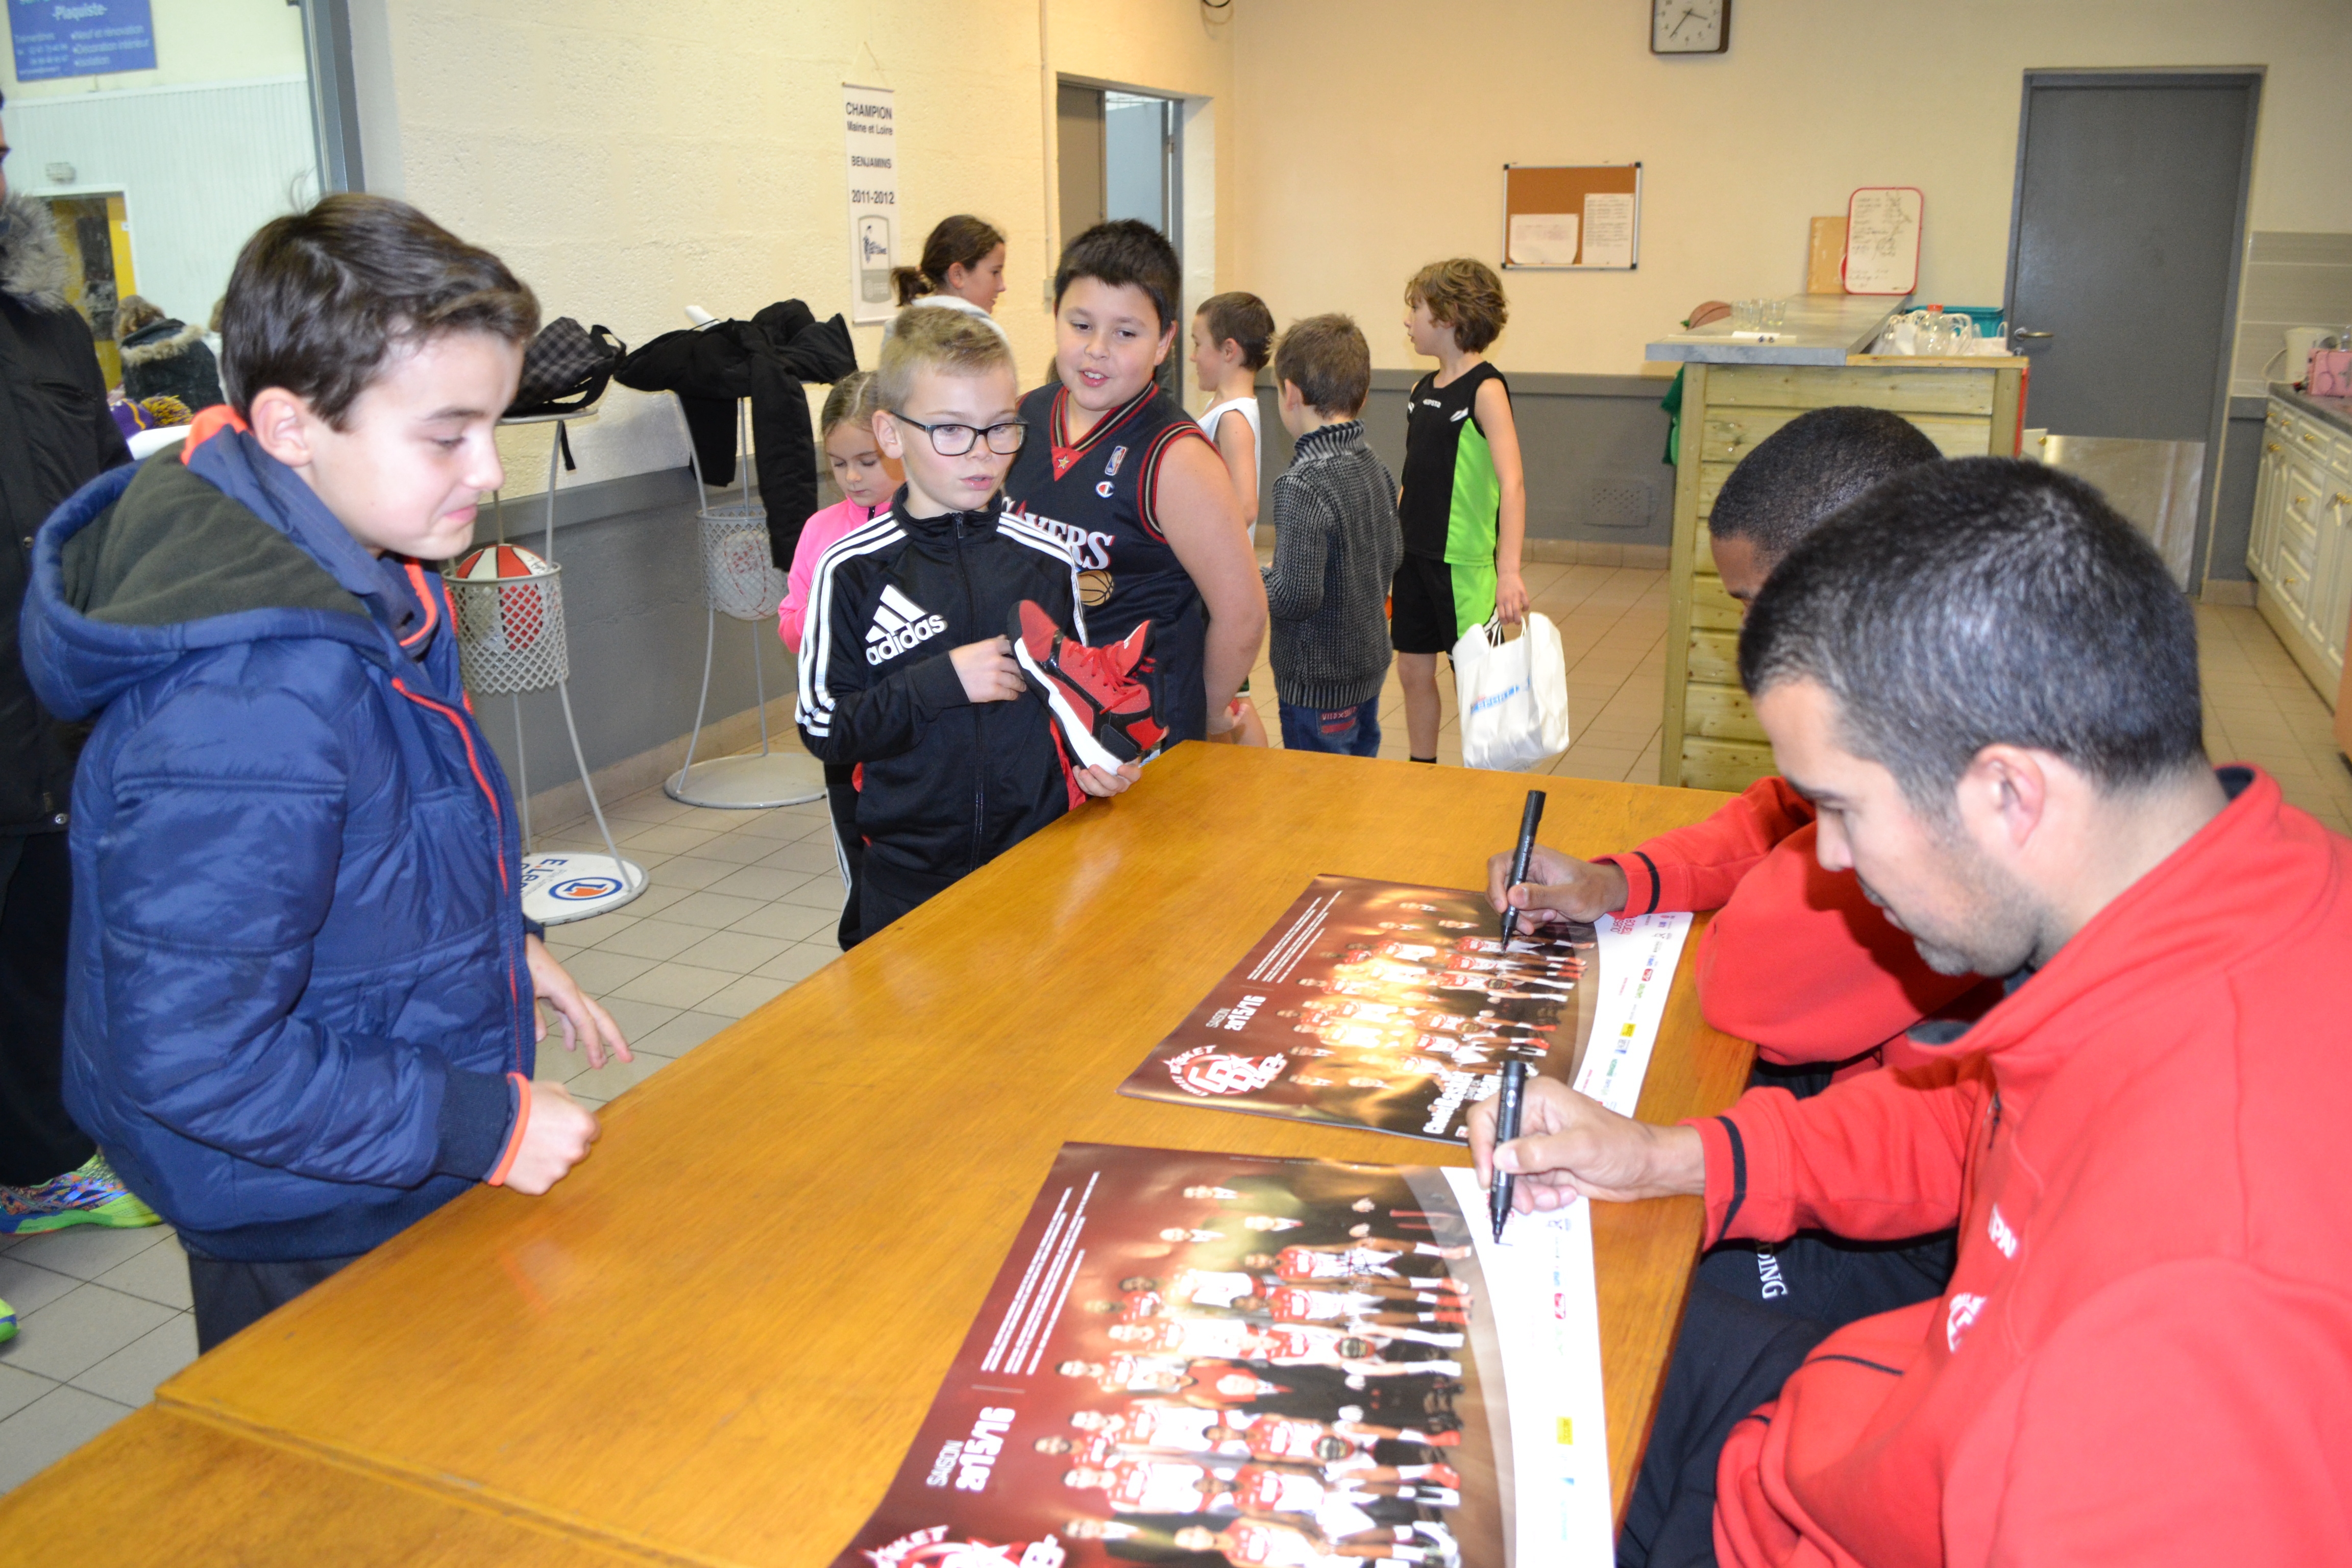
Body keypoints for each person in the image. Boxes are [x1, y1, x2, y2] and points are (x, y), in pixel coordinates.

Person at [1472, 458, 2352, 1567]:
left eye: (1842, 811)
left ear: (2009, 793)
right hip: (1866, 1411)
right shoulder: (2227, 885)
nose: (1826, 856)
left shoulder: (2199, 1315)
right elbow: (1975, 1121)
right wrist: (1667, 1157)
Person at [21, 194, 627, 1352]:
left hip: (363, 1141)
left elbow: (370, 838)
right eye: (449, 434)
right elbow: (199, 1049)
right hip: (303, 1196)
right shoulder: (242, 695)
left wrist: (495, 937)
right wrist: (481, 1122)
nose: (490, 471)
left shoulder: (360, 563)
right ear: (293, 426)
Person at [1488, 407, 1973, 1072]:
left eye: (1756, 604)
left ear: (1854, 592)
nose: (1747, 640)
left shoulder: (1946, 775)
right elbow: (1776, 816)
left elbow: (1739, 975)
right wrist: (1615, 882)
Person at [795, 306, 1137, 941]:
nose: (983, 454)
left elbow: (1084, 702)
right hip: (909, 878)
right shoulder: (851, 570)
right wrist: (939, 682)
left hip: (1038, 863)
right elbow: (823, 727)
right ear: (891, 434)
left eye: (1001, 428)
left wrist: (1105, 765)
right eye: (951, 431)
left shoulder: (1048, 560)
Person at [0, 92, 155, 1276]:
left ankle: (42, 1163)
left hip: (45, 703)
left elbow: (103, 493)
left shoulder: (45, 326)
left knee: (43, 933)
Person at [1003, 219, 1267, 747]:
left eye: (1126, 333)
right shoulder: (1022, 417)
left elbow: (1242, 614)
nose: (1097, 349)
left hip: (1138, 732)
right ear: (1056, 318)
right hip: (1038, 719)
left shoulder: (1178, 459)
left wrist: (1210, 713)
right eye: (1081, 326)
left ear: (1165, 341)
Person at [1391, 258, 1527, 764]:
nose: (1408, 320)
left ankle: (1484, 776)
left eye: (1416, 308)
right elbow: (1412, 476)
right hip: (1413, 559)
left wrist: (1508, 572)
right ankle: (1422, 768)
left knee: (1477, 678)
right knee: (1411, 670)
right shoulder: (1419, 392)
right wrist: (1390, 547)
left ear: (1447, 317)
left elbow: (1512, 484)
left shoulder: (1486, 390)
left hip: (1465, 565)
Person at [779, 369, 896, 948]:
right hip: (846, 725)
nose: (852, 477)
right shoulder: (821, 530)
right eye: (838, 463)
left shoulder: (926, 524)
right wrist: (829, 621)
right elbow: (790, 620)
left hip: (912, 724)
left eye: (867, 461)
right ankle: (865, 952)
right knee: (858, 845)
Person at [1260, 314, 1402, 760]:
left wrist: (1252, 575)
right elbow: (1393, 553)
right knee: (1355, 794)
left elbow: (1295, 596)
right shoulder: (1372, 463)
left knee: (1319, 807)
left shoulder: (1302, 483)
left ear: (1291, 394)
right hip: (1368, 665)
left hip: (1318, 683)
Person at [1190, 290, 1275, 540]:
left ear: (1229, 350)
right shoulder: (1222, 406)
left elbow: (1246, 507)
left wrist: (1197, 540)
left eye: (1197, 344)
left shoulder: (1233, 417)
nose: (1193, 356)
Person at [887, 214, 1009, 340]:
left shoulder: (898, 333)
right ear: (958, 275)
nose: (1002, 286)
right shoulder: (988, 338)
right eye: (995, 272)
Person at [115, 293, 226, 412]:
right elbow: (212, 384)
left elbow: (136, 406)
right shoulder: (194, 341)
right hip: (207, 419)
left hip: (168, 424)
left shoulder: (135, 357)